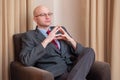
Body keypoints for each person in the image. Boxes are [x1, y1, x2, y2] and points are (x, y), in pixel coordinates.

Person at [19, 5, 95, 80]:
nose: (47, 17)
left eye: (49, 14)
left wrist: (70, 40)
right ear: (35, 19)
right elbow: (27, 60)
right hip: (57, 73)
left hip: (74, 69)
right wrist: (47, 40)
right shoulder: (29, 36)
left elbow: (81, 52)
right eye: (43, 15)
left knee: (89, 51)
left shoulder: (60, 30)